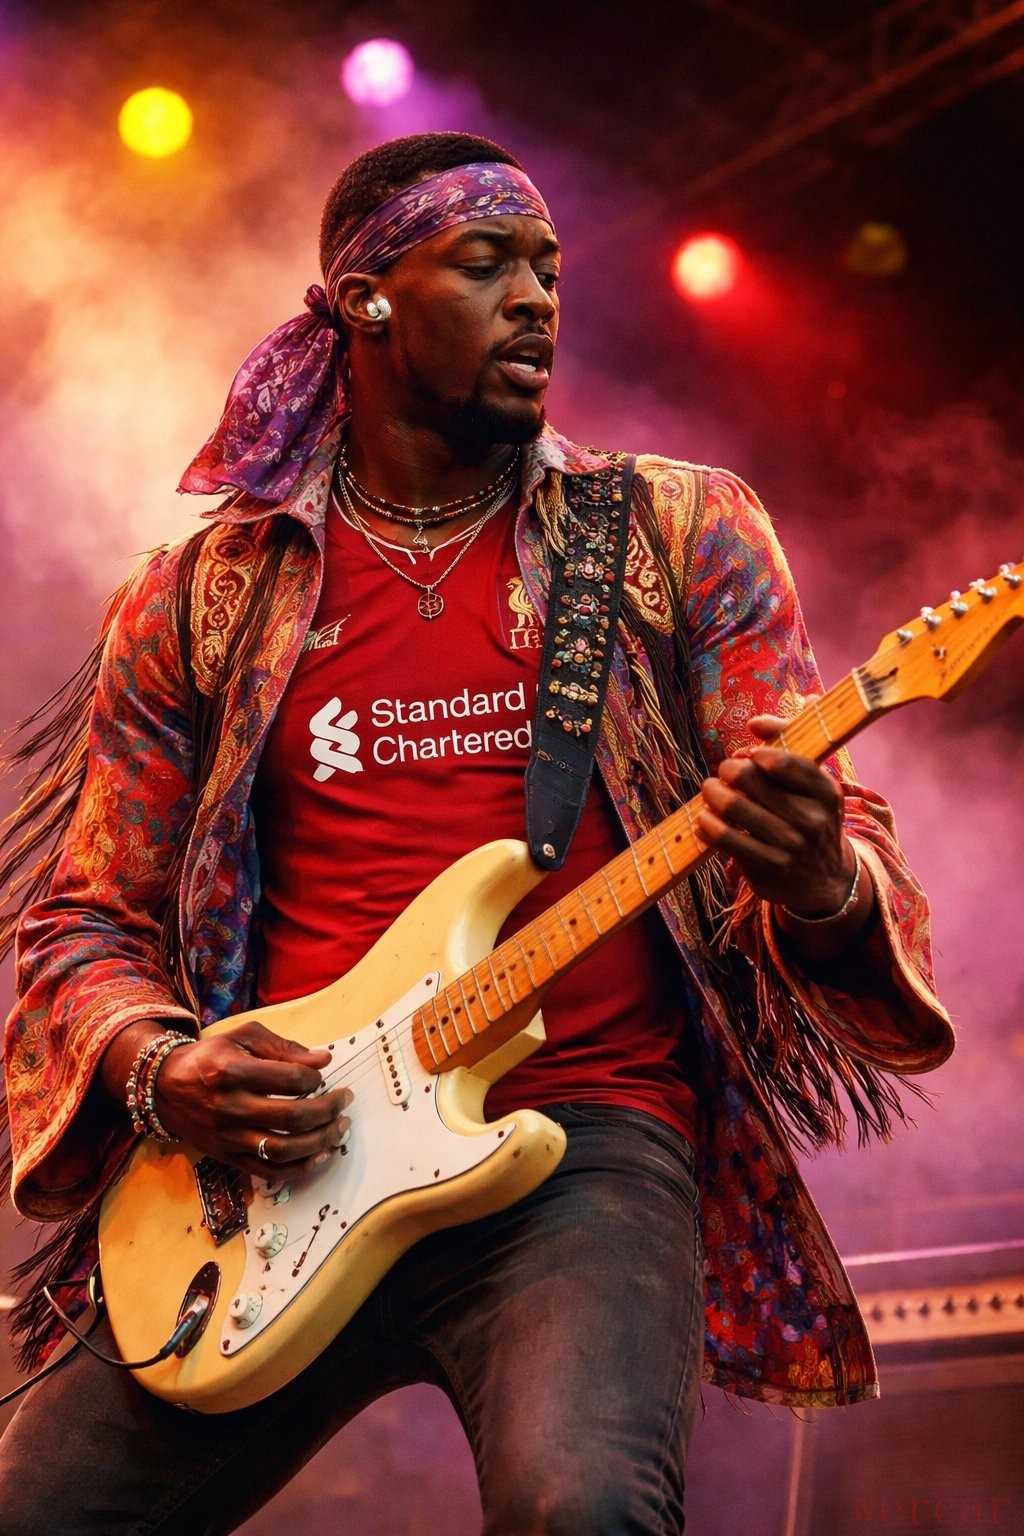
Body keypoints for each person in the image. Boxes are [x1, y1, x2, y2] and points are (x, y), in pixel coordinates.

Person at [0, 131, 953, 1534]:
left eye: (550, 271)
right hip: (277, 1175)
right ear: (366, 299)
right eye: (489, 264)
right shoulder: (202, 596)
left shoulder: (675, 532)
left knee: (582, 1509)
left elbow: (837, 840)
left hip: (586, 1140)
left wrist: (822, 880)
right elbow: (85, 918)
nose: (537, 302)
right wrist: (163, 1064)